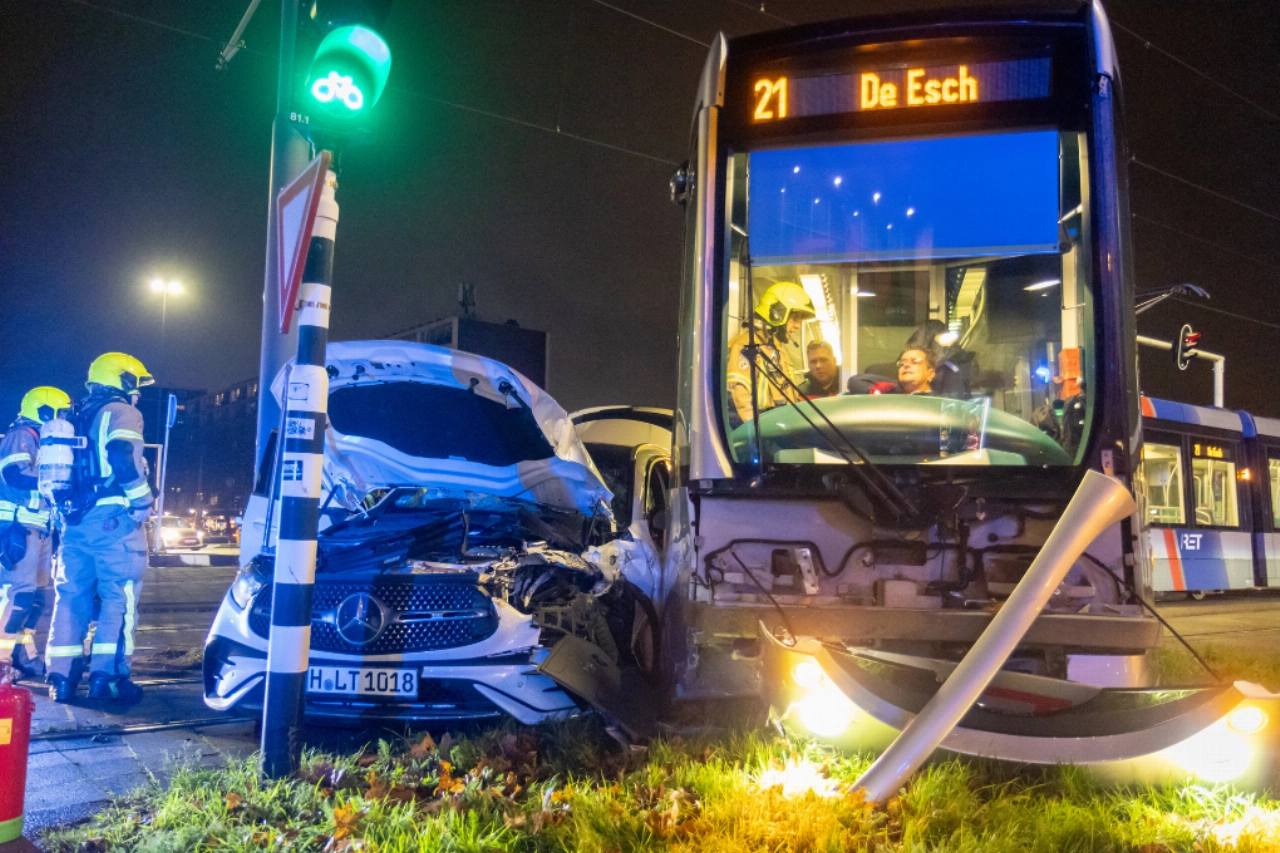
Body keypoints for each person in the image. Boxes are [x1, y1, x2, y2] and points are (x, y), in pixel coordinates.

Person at [45, 353, 155, 703]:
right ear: (121, 380)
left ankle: (61, 679)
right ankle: (107, 679)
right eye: (135, 384)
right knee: (118, 598)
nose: (137, 393)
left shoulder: (72, 416)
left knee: (71, 598)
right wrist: (143, 501)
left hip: (74, 523)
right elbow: (122, 455)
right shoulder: (122, 412)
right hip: (113, 523)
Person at [0, 387, 71, 679]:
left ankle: (23, 656)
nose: (63, 419)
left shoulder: (43, 442)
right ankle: (2, 661)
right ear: (44, 412)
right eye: (60, 413)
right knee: (19, 596)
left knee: (35, 599)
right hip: (18, 529)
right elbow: (13, 474)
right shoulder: (22, 435)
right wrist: (56, 478)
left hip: (39, 531)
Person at [726, 281, 816, 427]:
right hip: (763, 435)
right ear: (777, 313)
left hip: (779, 433)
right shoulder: (745, 348)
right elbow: (740, 403)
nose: (798, 325)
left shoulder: (779, 352)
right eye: (795, 318)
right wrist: (759, 437)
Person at [905, 319, 974, 397]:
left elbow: (952, 399)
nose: (906, 365)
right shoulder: (953, 361)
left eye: (915, 361)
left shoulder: (951, 366)